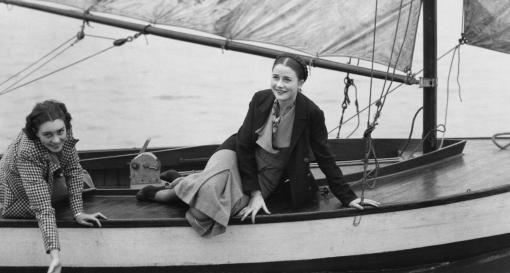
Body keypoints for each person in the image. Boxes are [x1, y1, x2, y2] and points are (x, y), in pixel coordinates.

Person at [136, 53, 379, 237]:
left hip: (271, 170)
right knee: (210, 195)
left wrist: (348, 198)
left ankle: (180, 182)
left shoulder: (312, 113)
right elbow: (243, 145)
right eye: (275, 77)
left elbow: (325, 157)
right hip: (236, 155)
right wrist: (255, 194)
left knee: (206, 213)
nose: (279, 85)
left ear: (301, 83)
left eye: (287, 79)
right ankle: (164, 195)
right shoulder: (260, 99)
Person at [0, 100, 106, 273]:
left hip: (44, 169)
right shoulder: (27, 151)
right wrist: (55, 257)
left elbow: (73, 169)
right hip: (12, 190)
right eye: (47, 135)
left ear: (66, 126)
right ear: (36, 134)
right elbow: (43, 208)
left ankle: (55, 177)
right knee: (52, 201)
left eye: (60, 132)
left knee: (82, 180)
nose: (56, 139)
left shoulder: (64, 132)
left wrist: (78, 213)